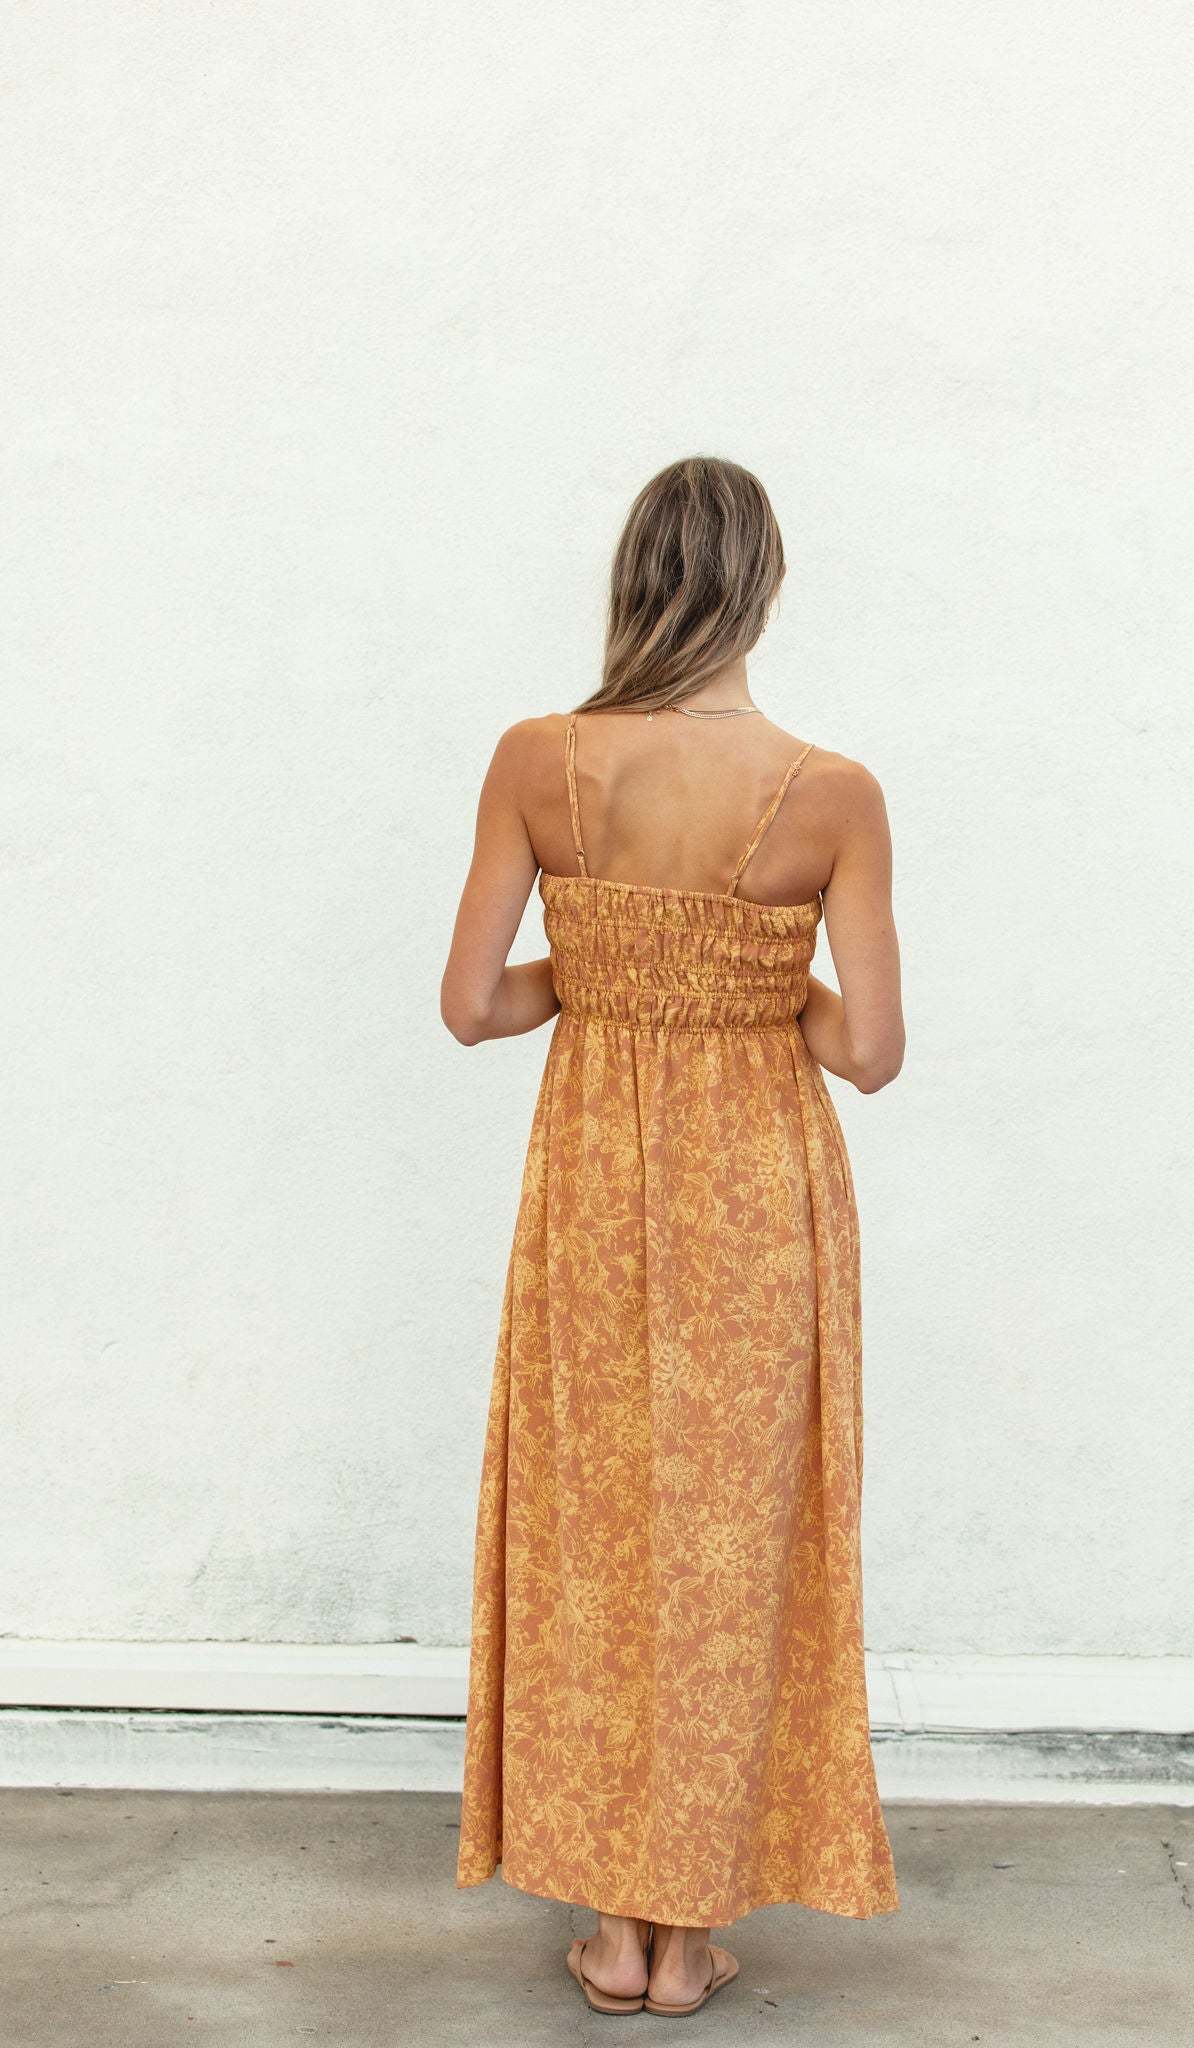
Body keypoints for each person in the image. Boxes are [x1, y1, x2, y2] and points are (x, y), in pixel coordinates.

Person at [441, 455, 905, 2018]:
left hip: (589, 1185)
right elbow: (867, 1049)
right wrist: (746, 974)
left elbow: (473, 1005)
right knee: (731, 1535)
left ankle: (610, 1929)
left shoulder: (538, 760)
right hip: (757, 1194)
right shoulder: (830, 791)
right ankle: (688, 1936)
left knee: (594, 1526)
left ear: (631, 579)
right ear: (763, 586)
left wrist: (606, 965)